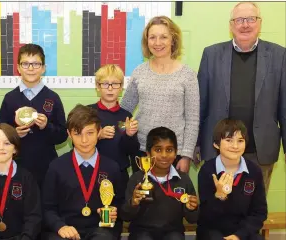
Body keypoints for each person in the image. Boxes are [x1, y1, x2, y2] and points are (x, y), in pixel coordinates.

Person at [197, 2, 286, 191]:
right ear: (231, 25)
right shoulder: (211, 54)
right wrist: (195, 146)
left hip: (259, 151)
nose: (245, 25)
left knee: (253, 209)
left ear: (260, 23)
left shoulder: (279, 55)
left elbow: (284, 107)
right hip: (218, 150)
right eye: (239, 20)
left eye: (251, 19)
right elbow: (200, 104)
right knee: (218, 207)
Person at [120, 16, 199, 173]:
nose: (157, 43)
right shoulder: (139, 72)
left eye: (163, 37)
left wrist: (186, 156)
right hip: (143, 151)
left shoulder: (187, 75)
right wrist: (124, 131)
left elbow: (192, 119)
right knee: (143, 197)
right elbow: (124, 110)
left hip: (174, 153)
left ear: (173, 40)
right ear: (146, 41)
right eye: (152, 37)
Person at [42, 104, 124, 240]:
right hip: (66, 229)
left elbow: (120, 203)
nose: (84, 140)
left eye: (90, 133)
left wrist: (115, 211)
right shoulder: (56, 166)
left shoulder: (112, 167)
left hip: (100, 229)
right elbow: (47, 208)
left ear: (99, 132)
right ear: (69, 134)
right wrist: (60, 226)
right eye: (77, 133)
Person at [0, 43, 67, 185]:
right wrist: (14, 134)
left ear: (43, 68)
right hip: (16, 166)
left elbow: (63, 135)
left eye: (36, 64)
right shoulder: (10, 98)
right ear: (18, 68)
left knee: (44, 204)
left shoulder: (53, 98)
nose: (30, 68)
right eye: (25, 64)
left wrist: (46, 126)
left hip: (46, 167)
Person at [120, 127, 198, 240]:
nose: (164, 155)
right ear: (148, 153)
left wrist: (192, 208)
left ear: (176, 153)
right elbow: (125, 216)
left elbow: (193, 219)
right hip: (141, 232)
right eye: (158, 150)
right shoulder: (137, 179)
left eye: (169, 150)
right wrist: (133, 203)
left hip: (173, 232)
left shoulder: (183, 179)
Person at [197, 119, 267, 240]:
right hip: (213, 230)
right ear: (216, 144)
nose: (235, 146)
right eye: (229, 140)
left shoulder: (254, 171)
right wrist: (219, 196)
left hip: (243, 231)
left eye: (240, 141)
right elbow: (204, 217)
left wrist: (239, 235)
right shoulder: (207, 170)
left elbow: (259, 212)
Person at [88, 64, 140, 189]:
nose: (110, 89)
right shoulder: (88, 112)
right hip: (92, 172)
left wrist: (129, 135)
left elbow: (132, 151)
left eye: (115, 84)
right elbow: (76, 144)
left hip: (120, 174)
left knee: (120, 207)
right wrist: (97, 136)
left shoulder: (126, 116)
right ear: (97, 86)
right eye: (105, 84)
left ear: (121, 87)